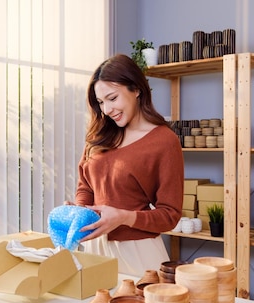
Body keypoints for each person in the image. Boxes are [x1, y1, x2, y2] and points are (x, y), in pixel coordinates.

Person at [72, 53, 184, 277]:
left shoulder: (164, 141)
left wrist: (123, 217)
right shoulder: (99, 136)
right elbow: (86, 186)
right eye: (101, 102)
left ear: (136, 89)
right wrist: (78, 210)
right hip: (94, 251)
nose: (106, 110)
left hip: (137, 254)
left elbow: (170, 215)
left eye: (112, 98)